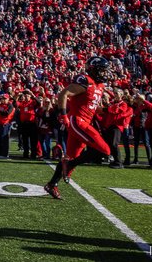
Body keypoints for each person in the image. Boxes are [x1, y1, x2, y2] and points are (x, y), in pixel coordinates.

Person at [44, 57, 114, 200]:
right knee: (105, 150)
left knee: (70, 157)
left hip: (85, 121)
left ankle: (52, 184)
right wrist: (63, 115)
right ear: (94, 69)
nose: (105, 73)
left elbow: (92, 108)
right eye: (102, 70)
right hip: (77, 121)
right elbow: (64, 94)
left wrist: (106, 109)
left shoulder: (99, 86)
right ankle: (69, 165)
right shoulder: (85, 81)